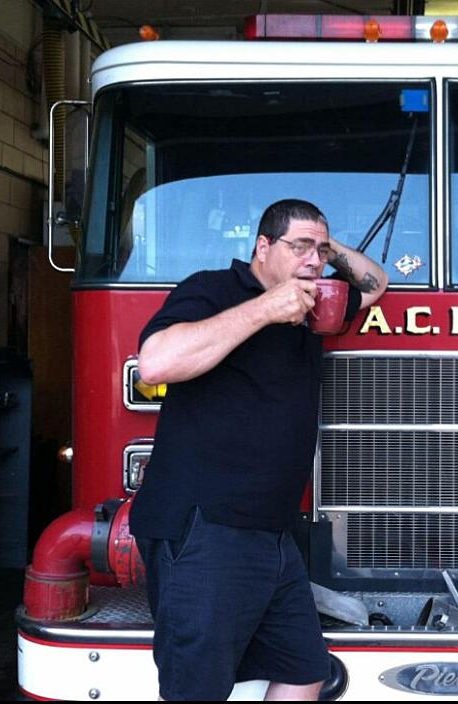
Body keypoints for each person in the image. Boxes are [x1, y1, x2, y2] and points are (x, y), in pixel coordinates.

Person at [129, 199, 387, 700]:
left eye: (320, 249)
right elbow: (156, 364)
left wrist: (328, 252)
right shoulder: (212, 289)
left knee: (304, 669)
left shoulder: (317, 306)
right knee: (197, 690)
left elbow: (375, 284)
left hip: (272, 535)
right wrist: (267, 308)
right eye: (299, 247)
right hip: (204, 532)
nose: (312, 260)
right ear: (263, 247)